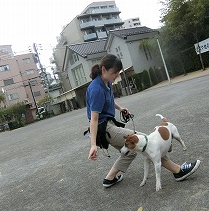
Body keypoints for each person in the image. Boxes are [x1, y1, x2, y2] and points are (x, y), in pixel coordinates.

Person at [86, 54, 201, 187]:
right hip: (104, 128)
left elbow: (108, 100)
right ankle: (178, 171)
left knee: (130, 151)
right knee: (148, 142)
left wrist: (120, 108)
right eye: (114, 73)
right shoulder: (96, 89)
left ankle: (109, 178)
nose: (117, 76)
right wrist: (93, 145)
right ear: (104, 70)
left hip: (108, 124)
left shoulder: (106, 81)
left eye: (118, 72)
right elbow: (93, 120)